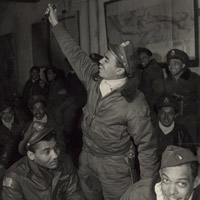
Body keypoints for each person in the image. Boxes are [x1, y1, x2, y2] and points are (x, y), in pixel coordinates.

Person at [46, 4, 159, 200]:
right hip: (88, 158)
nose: (100, 62)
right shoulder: (94, 80)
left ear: (120, 70)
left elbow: (147, 146)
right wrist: (56, 24)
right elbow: (75, 54)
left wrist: (148, 189)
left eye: (106, 60)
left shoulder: (134, 103)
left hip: (115, 169)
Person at [2, 122, 85, 200]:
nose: (55, 155)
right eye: (47, 151)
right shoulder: (15, 177)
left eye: (56, 148)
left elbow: (75, 193)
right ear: (31, 155)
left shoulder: (65, 161)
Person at [164, 49, 200, 145]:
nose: (171, 67)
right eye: (170, 64)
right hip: (173, 122)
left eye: (175, 63)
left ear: (183, 65)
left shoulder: (194, 79)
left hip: (192, 123)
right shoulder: (167, 81)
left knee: (192, 150)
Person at [155, 95, 196, 160]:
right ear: (158, 113)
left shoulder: (181, 131)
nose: (166, 117)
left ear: (175, 115)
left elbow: (192, 153)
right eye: (163, 113)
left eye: (170, 113)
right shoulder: (151, 130)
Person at [137, 47, 164, 116]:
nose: (141, 60)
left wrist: (148, 106)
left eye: (144, 58)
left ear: (149, 57)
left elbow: (159, 92)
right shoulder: (146, 69)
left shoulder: (154, 70)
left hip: (153, 108)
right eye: (140, 59)